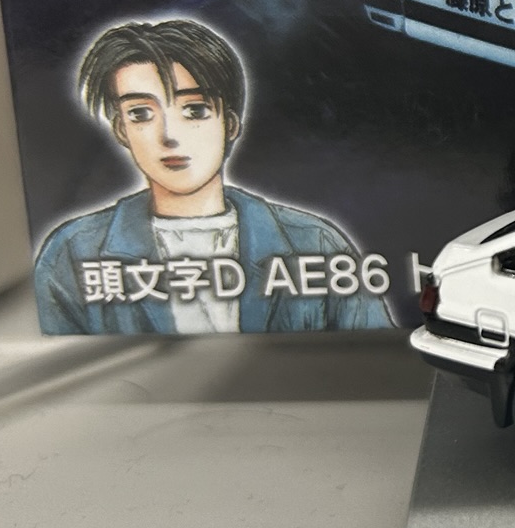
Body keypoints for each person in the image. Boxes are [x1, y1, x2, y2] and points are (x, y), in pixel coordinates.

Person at [33, 20, 393, 333]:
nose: (169, 135)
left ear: (230, 124)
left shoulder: (314, 242)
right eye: (141, 113)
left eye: (194, 110)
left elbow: (378, 361)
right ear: (121, 130)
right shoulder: (73, 252)